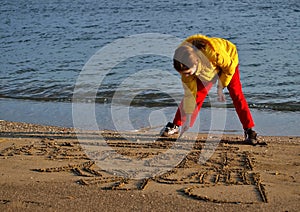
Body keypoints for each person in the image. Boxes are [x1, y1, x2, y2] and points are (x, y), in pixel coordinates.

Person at [161, 34, 258, 144]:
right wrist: (188, 120)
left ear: (196, 62)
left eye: (188, 73)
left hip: (228, 60)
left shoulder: (215, 53)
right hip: (205, 70)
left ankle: (249, 129)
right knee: (196, 95)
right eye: (183, 74)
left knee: (236, 94)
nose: (186, 76)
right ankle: (176, 125)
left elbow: (229, 68)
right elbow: (190, 95)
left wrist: (220, 87)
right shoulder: (184, 63)